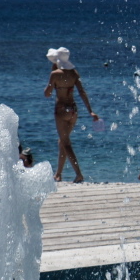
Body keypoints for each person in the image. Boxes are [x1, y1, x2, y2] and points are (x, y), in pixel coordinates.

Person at [43, 47, 99, 183]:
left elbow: (47, 93)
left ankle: (78, 174)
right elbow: (82, 92)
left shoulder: (55, 74)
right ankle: (58, 174)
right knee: (61, 141)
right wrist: (90, 111)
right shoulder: (74, 73)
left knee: (65, 142)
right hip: (73, 110)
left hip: (61, 110)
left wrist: (52, 78)